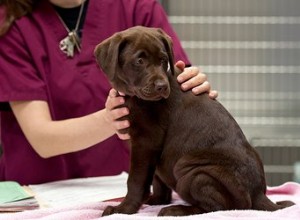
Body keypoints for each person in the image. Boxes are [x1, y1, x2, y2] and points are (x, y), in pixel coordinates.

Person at [0, 0, 218, 185]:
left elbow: (175, 78)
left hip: (127, 189)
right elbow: (42, 138)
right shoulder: (10, 24)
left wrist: (192, 86)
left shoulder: (135, 6)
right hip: (43, 193)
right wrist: (111, 119)